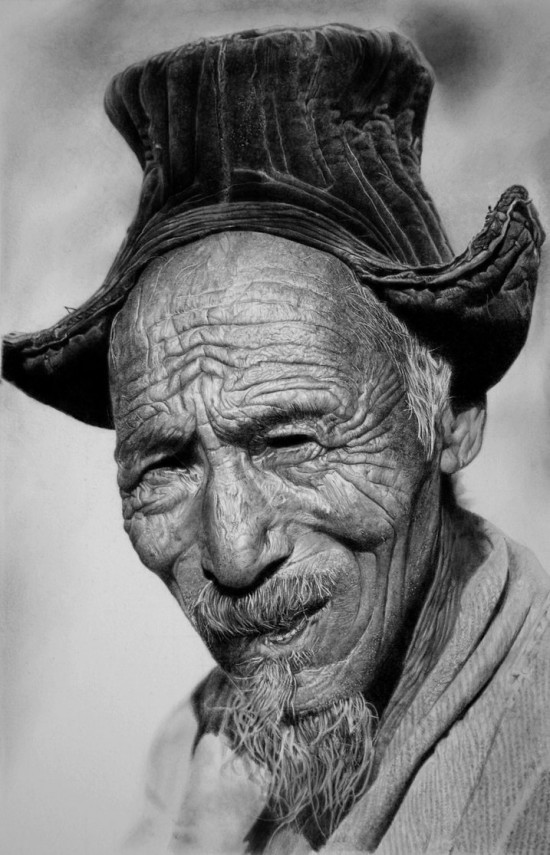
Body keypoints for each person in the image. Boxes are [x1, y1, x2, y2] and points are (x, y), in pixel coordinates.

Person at [3, 24, 549, 854]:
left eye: (292, 442)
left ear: (454, 415)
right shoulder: (197, 752)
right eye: (167, 464)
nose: (232, 553)